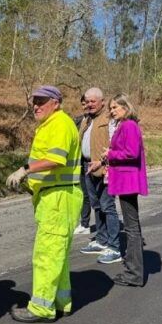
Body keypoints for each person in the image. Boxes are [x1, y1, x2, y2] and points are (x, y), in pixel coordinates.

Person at [6, 85, 82, 322]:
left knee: (47, 254)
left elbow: (56, 159)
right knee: (57, 254)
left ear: (56, 103)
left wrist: (25, 170)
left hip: (59, 198)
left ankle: (41, 308)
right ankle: (60, 302)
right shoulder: (50, 125)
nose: (36, 106)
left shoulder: (59, 123)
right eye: (34, 102)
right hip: (55, 197)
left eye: (42, 101)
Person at [103, 94, 148, 287]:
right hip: (126, 181)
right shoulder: (126, 125)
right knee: (132, 226)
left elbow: (131, 152)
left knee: (131, 227)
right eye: (111, 108)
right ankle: (133, 269)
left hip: (127, 181)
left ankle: (134, 273)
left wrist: (110, 153)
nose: (112, 111)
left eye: (115, 107)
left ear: (125, 107)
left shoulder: (129, 125)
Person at [78, 88, 121, 265]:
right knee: (96, 205)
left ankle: (114, 246)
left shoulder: (110, 119)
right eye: (87, 101)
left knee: (107, 206)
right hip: (88, 167)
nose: (89, 104)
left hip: (105, 168)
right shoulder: (86, 119)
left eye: (93, 102)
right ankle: (102, 240)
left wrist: (104, 163)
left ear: (102, 102)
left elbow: (115, 145)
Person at [72, 94, 91, 235]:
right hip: (80, 160)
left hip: (93, 160)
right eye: (83, 104)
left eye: (88, 104)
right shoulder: (78, 121)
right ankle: (84, 222)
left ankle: (89, 224)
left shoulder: (96, 120)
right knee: (83, 193)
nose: (85, 106)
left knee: (93, 194)